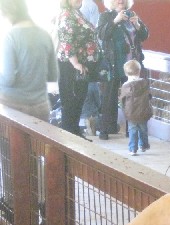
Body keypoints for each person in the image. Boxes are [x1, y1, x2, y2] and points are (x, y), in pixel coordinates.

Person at [96, 0, 148, 140]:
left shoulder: (132, 14)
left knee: (132, 98)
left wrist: (138, 25)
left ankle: (131, 129)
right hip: (112, 64)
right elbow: (101, 35)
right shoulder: (106, 16)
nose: (121, 1)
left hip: (131, 65)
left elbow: (144, 35)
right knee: (109, 97)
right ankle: (106, 129)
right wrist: (115, 21)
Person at [0, 0, 58, 122]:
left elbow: (8, 79)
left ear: (8, 12)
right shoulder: (45, 35)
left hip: (13, 107)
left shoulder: (10, 36)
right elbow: (53, 75)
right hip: (40, 106)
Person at [56, 0, 99, 138]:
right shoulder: (67, 14)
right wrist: (75, 63)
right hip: (70, 66)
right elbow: (66, 41)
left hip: (80, 64)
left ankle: (75, 134)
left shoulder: (76, 13)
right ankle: (69, 137)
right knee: (71, 102)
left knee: (78, 100)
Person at [119, 59, 152, 155]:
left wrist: (123, 109)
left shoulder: (125, 86)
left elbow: (122, 100)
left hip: (131, 113)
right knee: (143, 129)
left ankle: (133, 149)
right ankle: (144, 145)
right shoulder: (144, 83)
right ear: (139, 71)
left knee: (132, 130)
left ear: (126, 73)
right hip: (143, 111)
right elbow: (149, 96)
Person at [80, 0, 101, 136]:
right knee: (92, 86)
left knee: (84, 86)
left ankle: (86, 119)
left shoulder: (66, 7)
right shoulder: (91, 5)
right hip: (91, 54)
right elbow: (95, 30)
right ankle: (93, 118)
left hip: (76, 56)